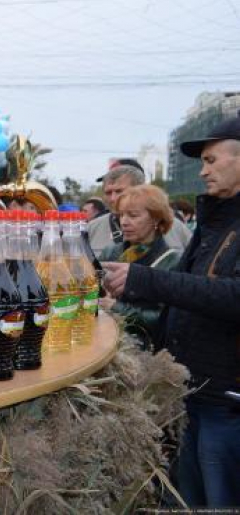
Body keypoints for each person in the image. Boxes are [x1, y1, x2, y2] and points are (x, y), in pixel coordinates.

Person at [104, 112, 240, 507]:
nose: (202, 172)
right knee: (184, 499)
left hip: (226, 404)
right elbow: (188, 297)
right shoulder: (216, 221)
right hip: (195, 393)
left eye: (212, 161)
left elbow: (230, 296)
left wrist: (142, 281)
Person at [98, 185, 180, 350]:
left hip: (146, 352)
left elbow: (167, 319)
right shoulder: (110, 252)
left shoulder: (172, 261)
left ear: (156, 219)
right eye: (121, 215)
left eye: (133, 215)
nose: (124, 222)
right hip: (104, 342)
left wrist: (117, 308)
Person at [87, 165, 191, 254]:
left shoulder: (177, 229)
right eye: (108, 193)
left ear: (140, 190)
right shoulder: (92, 229)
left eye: (119, 191)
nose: (113, 198)